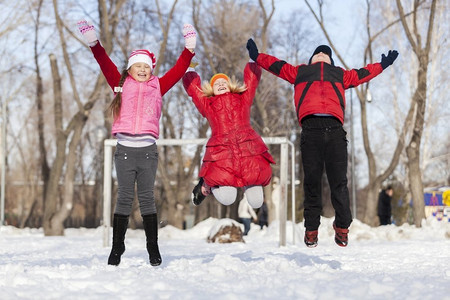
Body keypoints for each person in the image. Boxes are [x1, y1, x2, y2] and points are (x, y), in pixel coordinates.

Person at [246, 38, 398, 248]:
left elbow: (364, 73)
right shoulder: (300, 72)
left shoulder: (341, 75)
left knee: (339, 184)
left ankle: (343, 227)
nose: (321, 54)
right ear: (310, 59)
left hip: (335, 132)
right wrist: (257, 56)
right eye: (317, 53)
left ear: (331, 61)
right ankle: (311, 229)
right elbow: (277, 66)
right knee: (312, 182)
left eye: (325, 53)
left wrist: (382, 65)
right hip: (311, 131)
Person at [78, 20, 196, 266]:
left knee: (146, 198)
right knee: (123, 198)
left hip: (147, 152)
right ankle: (116, 246)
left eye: (146, 66)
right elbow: (103, 61)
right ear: (130, 69)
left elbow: (178, 69)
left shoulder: (158, 86)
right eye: (137, 66)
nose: (142, 69)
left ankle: (153, 248)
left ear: (151, 69)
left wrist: (189, 47)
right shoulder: (119, 84)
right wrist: (93, 42)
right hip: (124, 151)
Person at [182, 52, 275, 209]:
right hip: (222, 154)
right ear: (211, 89)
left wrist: (254, 59)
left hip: (248, 150)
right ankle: (206, 186)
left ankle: (246, 184)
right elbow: (194, 91)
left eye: (223, 82)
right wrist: (189, 70)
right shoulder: (208, 104)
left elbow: (251, 82)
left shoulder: (243, 99)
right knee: (227, 199)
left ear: (230, 85)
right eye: (216, 83)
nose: (220, 84)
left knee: (257, 202)